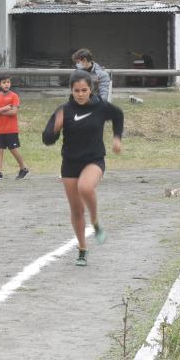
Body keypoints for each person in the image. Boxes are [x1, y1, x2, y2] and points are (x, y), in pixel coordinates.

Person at [42, 70, 123, 267]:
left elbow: (118, 115)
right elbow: (47, 140)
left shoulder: (100, 107)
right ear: (71, 90)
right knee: (76, 210)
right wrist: (54, 129)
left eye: (84, 90)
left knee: (85, 188)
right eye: (76, 90)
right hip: (70, 163)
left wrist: (117, 138)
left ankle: (95, 222)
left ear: (91, 89)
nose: (80, 94)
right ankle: (82, 248)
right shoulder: (64, 110)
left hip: (94, 159)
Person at [0, 75, 29, 180]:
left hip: (11, 129)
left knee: (13, 149)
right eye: (4, 82)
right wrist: (5, 108)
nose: (7, 84)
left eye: (8, 82)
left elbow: (14, 112)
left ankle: (23, 168)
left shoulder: (14, 96)